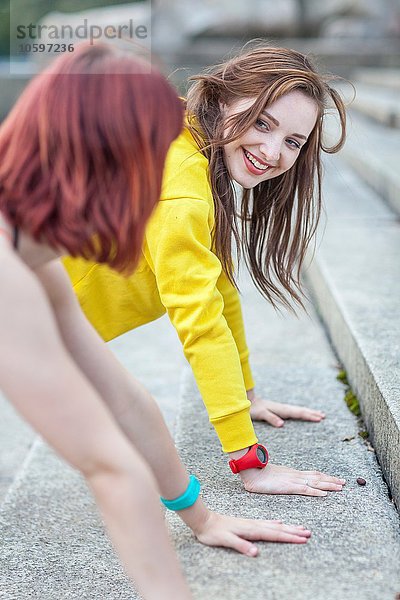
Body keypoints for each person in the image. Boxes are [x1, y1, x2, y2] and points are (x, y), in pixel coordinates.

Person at [0, 43, 313, 600]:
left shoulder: (38, 267)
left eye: (291, 139)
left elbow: (125, 399)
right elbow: (111, 467)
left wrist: (202, 517)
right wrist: (244, 459)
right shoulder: (15, 284)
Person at [64, 43, 348, 497]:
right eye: (262, 122)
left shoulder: (185, 136)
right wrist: (249, 461)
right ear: (221, 100)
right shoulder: (182, 191)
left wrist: (247, 397)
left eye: (293, 141)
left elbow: (221, 289)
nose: (273, 152)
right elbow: (200, 323)